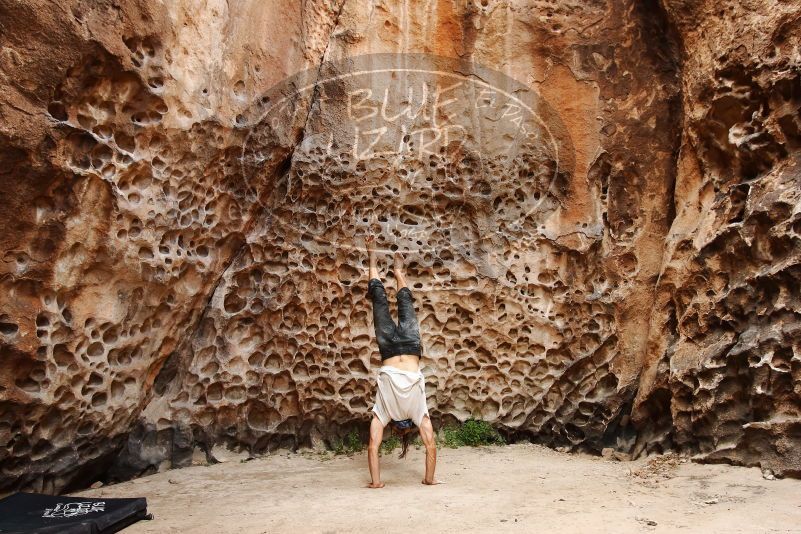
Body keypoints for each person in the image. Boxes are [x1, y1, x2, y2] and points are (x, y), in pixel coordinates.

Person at [364, 235, 440, 489]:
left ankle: (388, 267)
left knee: (398, 302)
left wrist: (378, 483)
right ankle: (392, 268)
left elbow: (430, 446)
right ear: (398, 431)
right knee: (383, 300)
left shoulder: (393, 414)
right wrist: (428, 480)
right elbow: (373, 447)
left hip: (402, 348)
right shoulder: (406, 414)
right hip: (393, 348)